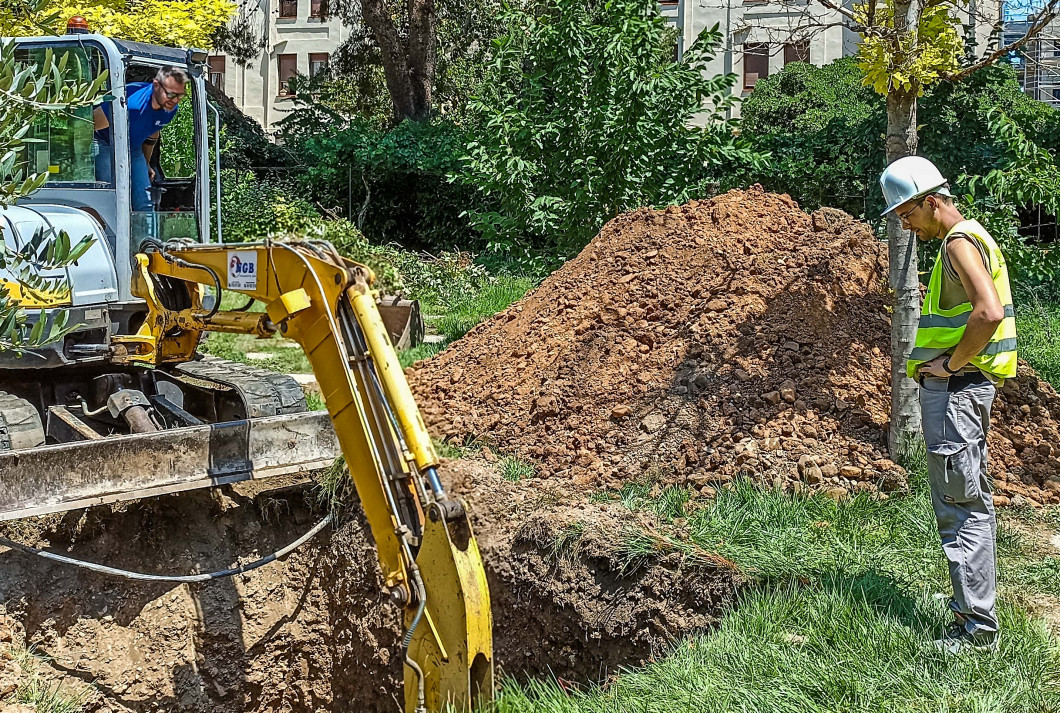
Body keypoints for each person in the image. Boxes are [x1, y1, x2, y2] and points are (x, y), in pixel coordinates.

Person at [880, 156, 1018, 655]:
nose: (904, 223)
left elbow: (988, 312)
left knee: (960, 507)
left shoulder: (959, 242)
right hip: (966, 391)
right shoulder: (974, 238)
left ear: (931, 201)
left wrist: (952, 366)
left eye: (906, 213)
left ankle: (975, 629)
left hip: (959, 391)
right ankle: (969, 601)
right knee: (964, 499)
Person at [93, 66, 188, 211]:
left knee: (145, 200)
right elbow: (88, 125)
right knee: (110, 195)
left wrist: (146, 163)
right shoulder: (130, 103)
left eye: (180, 96)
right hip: (103, 141)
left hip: (133, 145)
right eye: (170, 94)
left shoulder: (171, 109)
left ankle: (145, 234)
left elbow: (152, 134)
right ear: (156, 85)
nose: (174, 100)